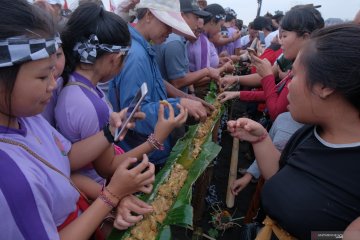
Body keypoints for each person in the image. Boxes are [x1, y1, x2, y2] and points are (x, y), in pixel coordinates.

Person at [0, 0, 155, 238]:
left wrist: (108, 133)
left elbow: (65, 161)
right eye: (43, 77)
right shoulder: (9, 177)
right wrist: (111, 195)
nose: (54, 84)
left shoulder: (27, 118)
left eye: (53, 71)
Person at [227, 23, 360, 240]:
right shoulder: (309, 133)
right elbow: (281, 176)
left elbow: (337, 235)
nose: (287, 85)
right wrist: (260, 139)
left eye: (295, 75)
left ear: (325, 85)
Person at [55, 2, 187, 194]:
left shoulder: (73, 84)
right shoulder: (91, 104)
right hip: (95, 189)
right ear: (115, 59)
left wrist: (122, 120)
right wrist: (156, 139)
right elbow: (107, 166)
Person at [108, 0, 209, 167]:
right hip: (141, 155)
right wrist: (180, 103)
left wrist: (186, 97)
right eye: (167, 24)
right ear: (148, 15)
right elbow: (133, 115)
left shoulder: (143, 48)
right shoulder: (136, 56)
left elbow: (155, 81)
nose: (170, 31)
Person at [218, 5, 324, 121]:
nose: (279, 40)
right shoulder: (289, 58)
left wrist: (267, 76)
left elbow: (276, 112)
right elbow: (276, 93)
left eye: (284, 35)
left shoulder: (307, 70)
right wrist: (238, 90)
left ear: (305, 38)